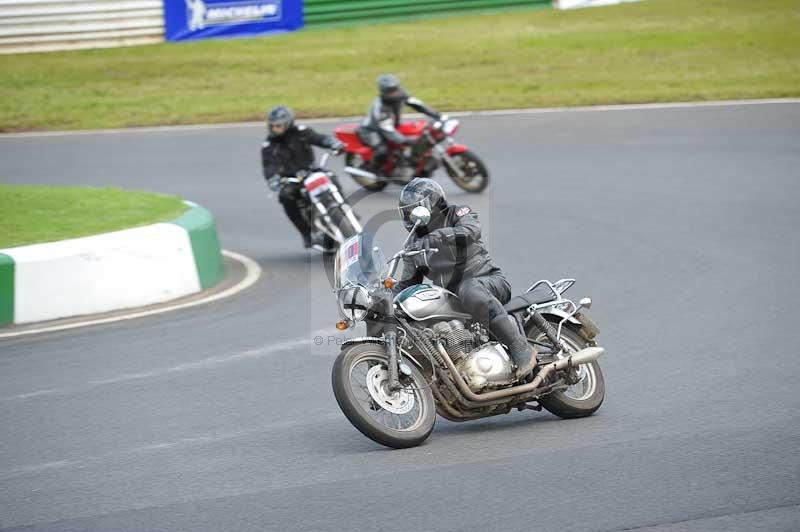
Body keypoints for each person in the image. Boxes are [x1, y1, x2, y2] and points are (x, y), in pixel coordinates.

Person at [394, 178, 537, 380]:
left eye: (414, 210)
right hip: (455, 300)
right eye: (406, 212)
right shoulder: (416, 246)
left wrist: (439, 236)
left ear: (432, 204)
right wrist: (379, 299)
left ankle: (520, 347)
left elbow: (470, 231)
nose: (410, 216)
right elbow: (407, 284)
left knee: (468, 289)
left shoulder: (458, 213)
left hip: (488, 281)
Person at [261, 105, 344, 250]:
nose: (275, 129)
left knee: (331, 177)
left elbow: (319, 138)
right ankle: (306, 233)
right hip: (293, 181)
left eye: (278, 126)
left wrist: (332, 143)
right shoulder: (268, 145)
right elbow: (269, 167)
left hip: (312, 172)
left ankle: (345, 209)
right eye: (272, 126)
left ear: (287, 123)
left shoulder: (301, 132)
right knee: (285, 196)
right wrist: (273, 180)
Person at [357, 74, 441, 173]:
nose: (394, 93)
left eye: (395, 89)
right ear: (383, 92)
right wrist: (405, 140)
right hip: (371, 130)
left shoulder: (402, 95)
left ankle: (410, 163)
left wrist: (436, 115)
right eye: (390, 91)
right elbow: (387, 130)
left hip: (392, 126)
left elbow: (418, 105)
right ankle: (373, 170)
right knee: (382, 151)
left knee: (417, 137)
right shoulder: (379, 107)